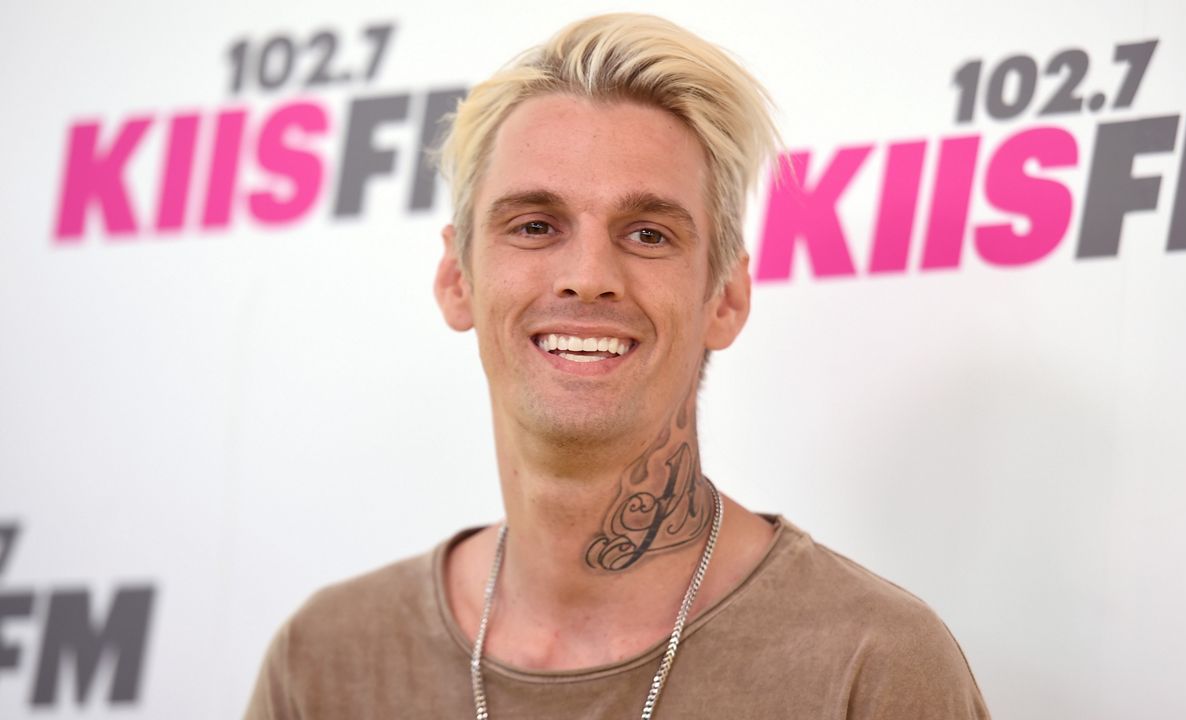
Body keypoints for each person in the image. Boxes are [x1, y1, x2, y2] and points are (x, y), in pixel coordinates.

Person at [245, 13, 989, 719]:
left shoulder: (873, 665)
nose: (589, 275)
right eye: (535, 226)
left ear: (724, 298)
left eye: (648, 233)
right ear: (456, 279)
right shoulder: (327, 661)